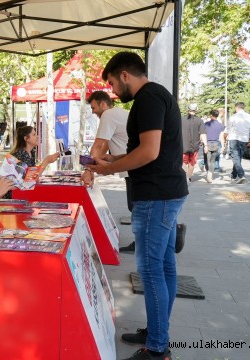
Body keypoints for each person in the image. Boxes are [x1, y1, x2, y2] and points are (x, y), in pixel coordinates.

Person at [88, 52, 188, 360]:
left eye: (113, 84)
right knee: (165, 266)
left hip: (156, 196)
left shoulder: (147, 99)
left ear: (125, 75)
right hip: (166, 192)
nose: (114, 92)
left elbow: (149, 152)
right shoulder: (156, 96)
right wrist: (112, 159)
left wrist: (106, 169)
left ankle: (157, 348)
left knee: (150, 269)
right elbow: (140, 150)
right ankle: (158, 331)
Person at [84, 91, 136, 252]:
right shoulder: (119, 113)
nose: (93, 112)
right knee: (136, 205)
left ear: (103, 104)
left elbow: (99, 145)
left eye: (93, 108)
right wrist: (94, 165)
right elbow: (105, 145)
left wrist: (88, 168)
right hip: (131, 164)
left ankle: (169, 233)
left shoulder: (109, 115)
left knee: (136, 205)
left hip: (132, 166)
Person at [224, 102, 250, 184]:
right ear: (243, 107)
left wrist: (225, 139)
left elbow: (226, 131)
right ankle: (233, 175)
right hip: (244, 140)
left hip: (234, 139)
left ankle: (241, 175)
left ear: (236, 108)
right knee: (238, 158)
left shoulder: (233, 117)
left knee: (236, 158)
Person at [199, 109, 225, 183]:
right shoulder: (221, 125)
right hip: (216, 144)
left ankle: (208, 173)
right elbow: (222, 136)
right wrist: (223, 146)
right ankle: (210, 174)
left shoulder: (206, 124)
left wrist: (201, 141)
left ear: (211, 115)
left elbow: (203, 134)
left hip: (207, 143)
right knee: (213, 161)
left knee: (207, 160)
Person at [181, 103, 204, 182]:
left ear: (188, 109)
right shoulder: (200, 120)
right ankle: (189, 177)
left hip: (183, 145)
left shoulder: (181, 119)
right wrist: (206, 145)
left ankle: (185, 176)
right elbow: (203, 133)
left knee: (183, 162)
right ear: (196, 110)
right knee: (192, 162)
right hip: (195, 146)